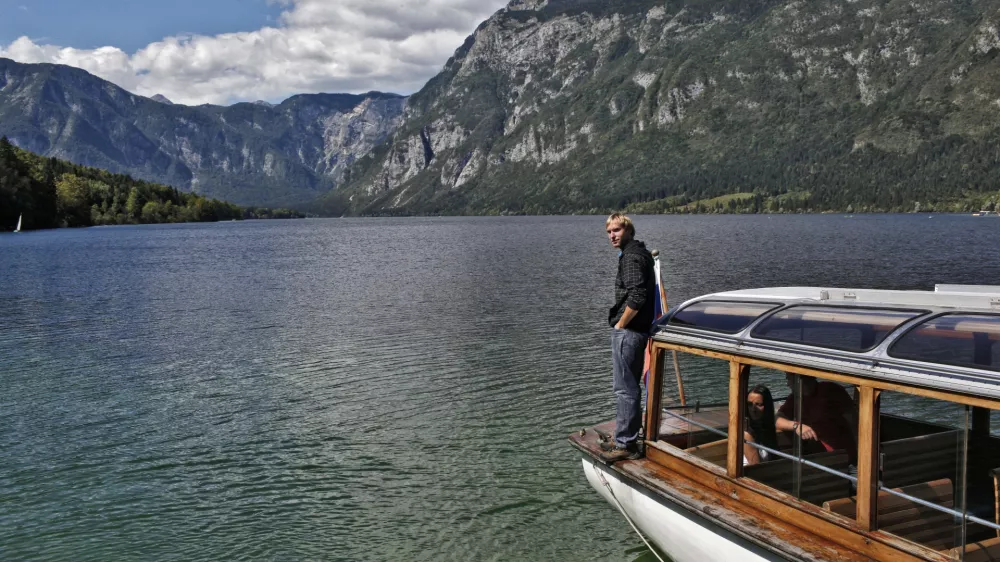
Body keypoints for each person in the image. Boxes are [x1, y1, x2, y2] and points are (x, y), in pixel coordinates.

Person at [600, 213, 655, 461]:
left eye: (617, 230)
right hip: (640, 330)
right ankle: (627, 434)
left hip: (630, 332)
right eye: (609, 232)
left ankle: (625, 443)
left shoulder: (631, 257)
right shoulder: (640, 253)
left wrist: (621, 324)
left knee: (625, 389)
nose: (612, 235)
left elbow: (638, 295)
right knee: (630, 387)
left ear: (628, 230)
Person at [775, 373, 857, 460]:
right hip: (817, 454)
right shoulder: (794, 398)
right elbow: (776, 419)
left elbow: (853, 418)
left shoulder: (831, 390)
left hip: (841, 453)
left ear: (799, 380)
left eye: (789, 380)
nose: (787, 384)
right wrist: (797, 426)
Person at [743, 384, 777, 466]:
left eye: (758, 404)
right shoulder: (747, 434)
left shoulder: (767, 429)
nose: (753, 409)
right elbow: (756, 468)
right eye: (750, 404)